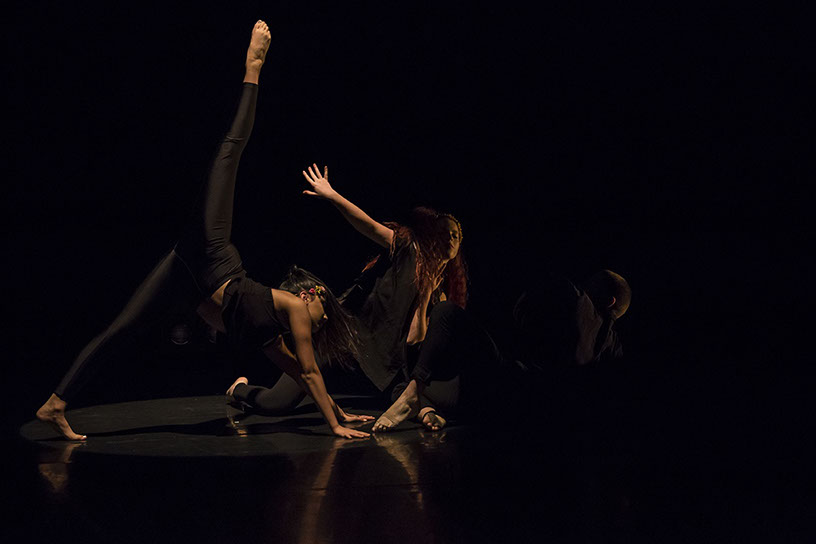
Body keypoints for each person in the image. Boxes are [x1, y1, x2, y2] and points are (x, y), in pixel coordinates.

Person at [36, 21, 372, 441]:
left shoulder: (270, 338)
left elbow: (301, 375)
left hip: (187, 277)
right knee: (230, 150)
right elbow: (308, 371)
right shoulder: (295, 308)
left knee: (122, 330)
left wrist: (340, 412)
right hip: (212, 253)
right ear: (310, 296)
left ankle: (55, 404)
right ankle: (254, 65)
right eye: (324, 313)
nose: (320, 324)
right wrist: (336, 425)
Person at [228, 167, 474, 431]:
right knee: (277, 403)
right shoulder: (407, 247)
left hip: (379, 354)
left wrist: (426, 295)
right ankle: (238, 389)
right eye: (442, 232)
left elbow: (414, 339)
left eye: (455, 235)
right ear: (429, 235)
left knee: (402, 390)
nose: (449, 238)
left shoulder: (438, 291)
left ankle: (425, 412)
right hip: (344, 332)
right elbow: (368, 225)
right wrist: (332, 195)